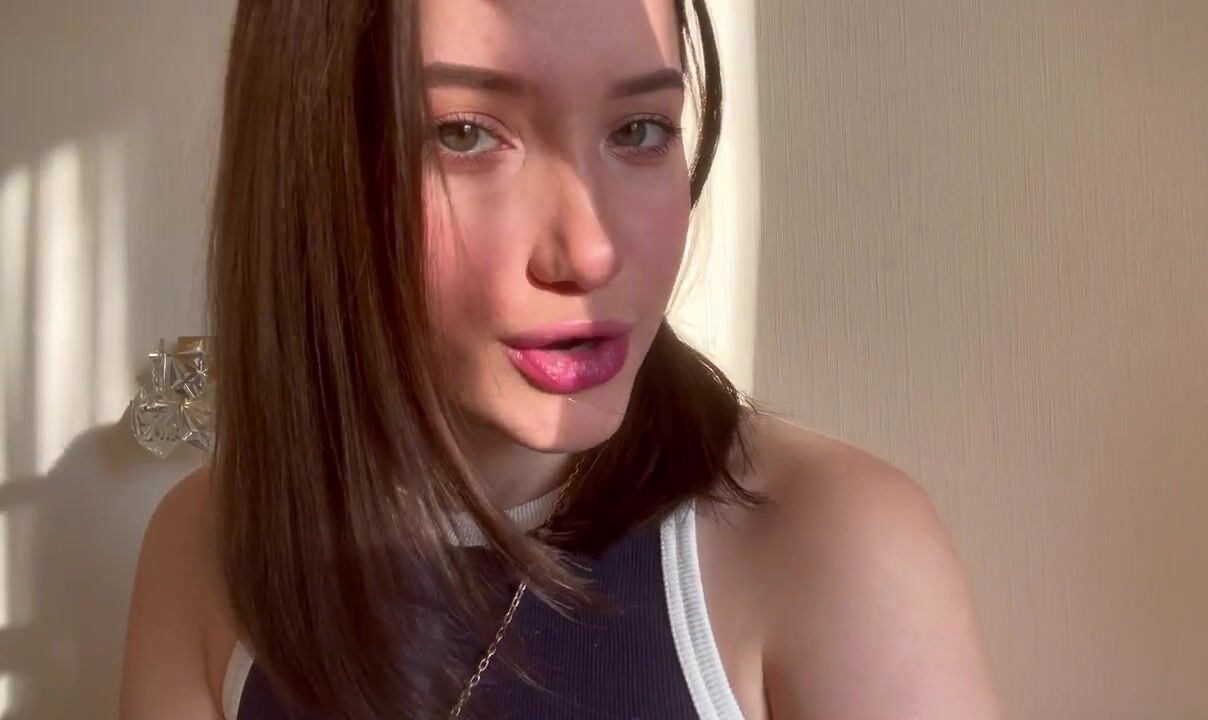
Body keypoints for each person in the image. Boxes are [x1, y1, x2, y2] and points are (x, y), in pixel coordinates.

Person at [119, 1, 1001, 718]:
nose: (590, 253)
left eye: (640, 130)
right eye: (465, 135)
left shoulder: (831, 544)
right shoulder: (209, 547)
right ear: (307, 168)